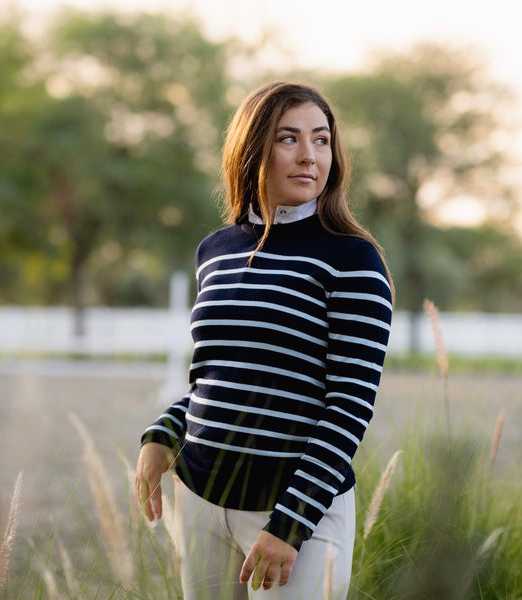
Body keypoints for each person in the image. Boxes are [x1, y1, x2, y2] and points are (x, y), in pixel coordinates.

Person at [135, 81, 394, 599]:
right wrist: (162, 433)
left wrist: (290, 524)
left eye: (321, 140)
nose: (308, 156)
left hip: (296, 518)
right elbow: (215, 376)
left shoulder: (353, 260)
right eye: (288, 139)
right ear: (252, 148)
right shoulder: (217, 249)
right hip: (203, 499)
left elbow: (349, 406)